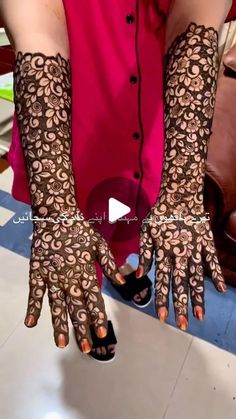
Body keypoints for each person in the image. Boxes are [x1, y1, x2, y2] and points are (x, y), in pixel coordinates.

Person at [0, 0, 232, 363]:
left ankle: (120, 264)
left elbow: (192, 25)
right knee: (77, 227)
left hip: (152, 105)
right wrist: (56, 201)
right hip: (69, 114)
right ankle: (89, 284)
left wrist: (183, 183)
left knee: (132, 210)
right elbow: (38, 28)